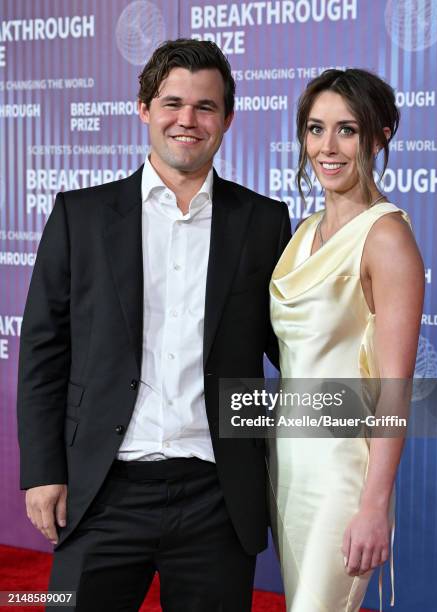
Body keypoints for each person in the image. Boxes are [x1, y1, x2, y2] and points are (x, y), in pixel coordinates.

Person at [17, 38, 291, 611]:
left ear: (227, 118)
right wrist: (42, 471)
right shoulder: (80, 216)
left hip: (216, 497)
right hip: (101, 492)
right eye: (172, 103)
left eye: (205, 107)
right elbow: (45, 351)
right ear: (143, 108)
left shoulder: (264, 222)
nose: (186, 120)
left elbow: (290, 349)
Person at [268, 69, 424, 611]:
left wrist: (374, 503)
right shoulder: (304, 231)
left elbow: (394, 388)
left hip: (343, 474)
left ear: (379, 136)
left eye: (347, 130)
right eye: (315, 129)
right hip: (287, 465)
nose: (326, 147)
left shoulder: (387, 237)